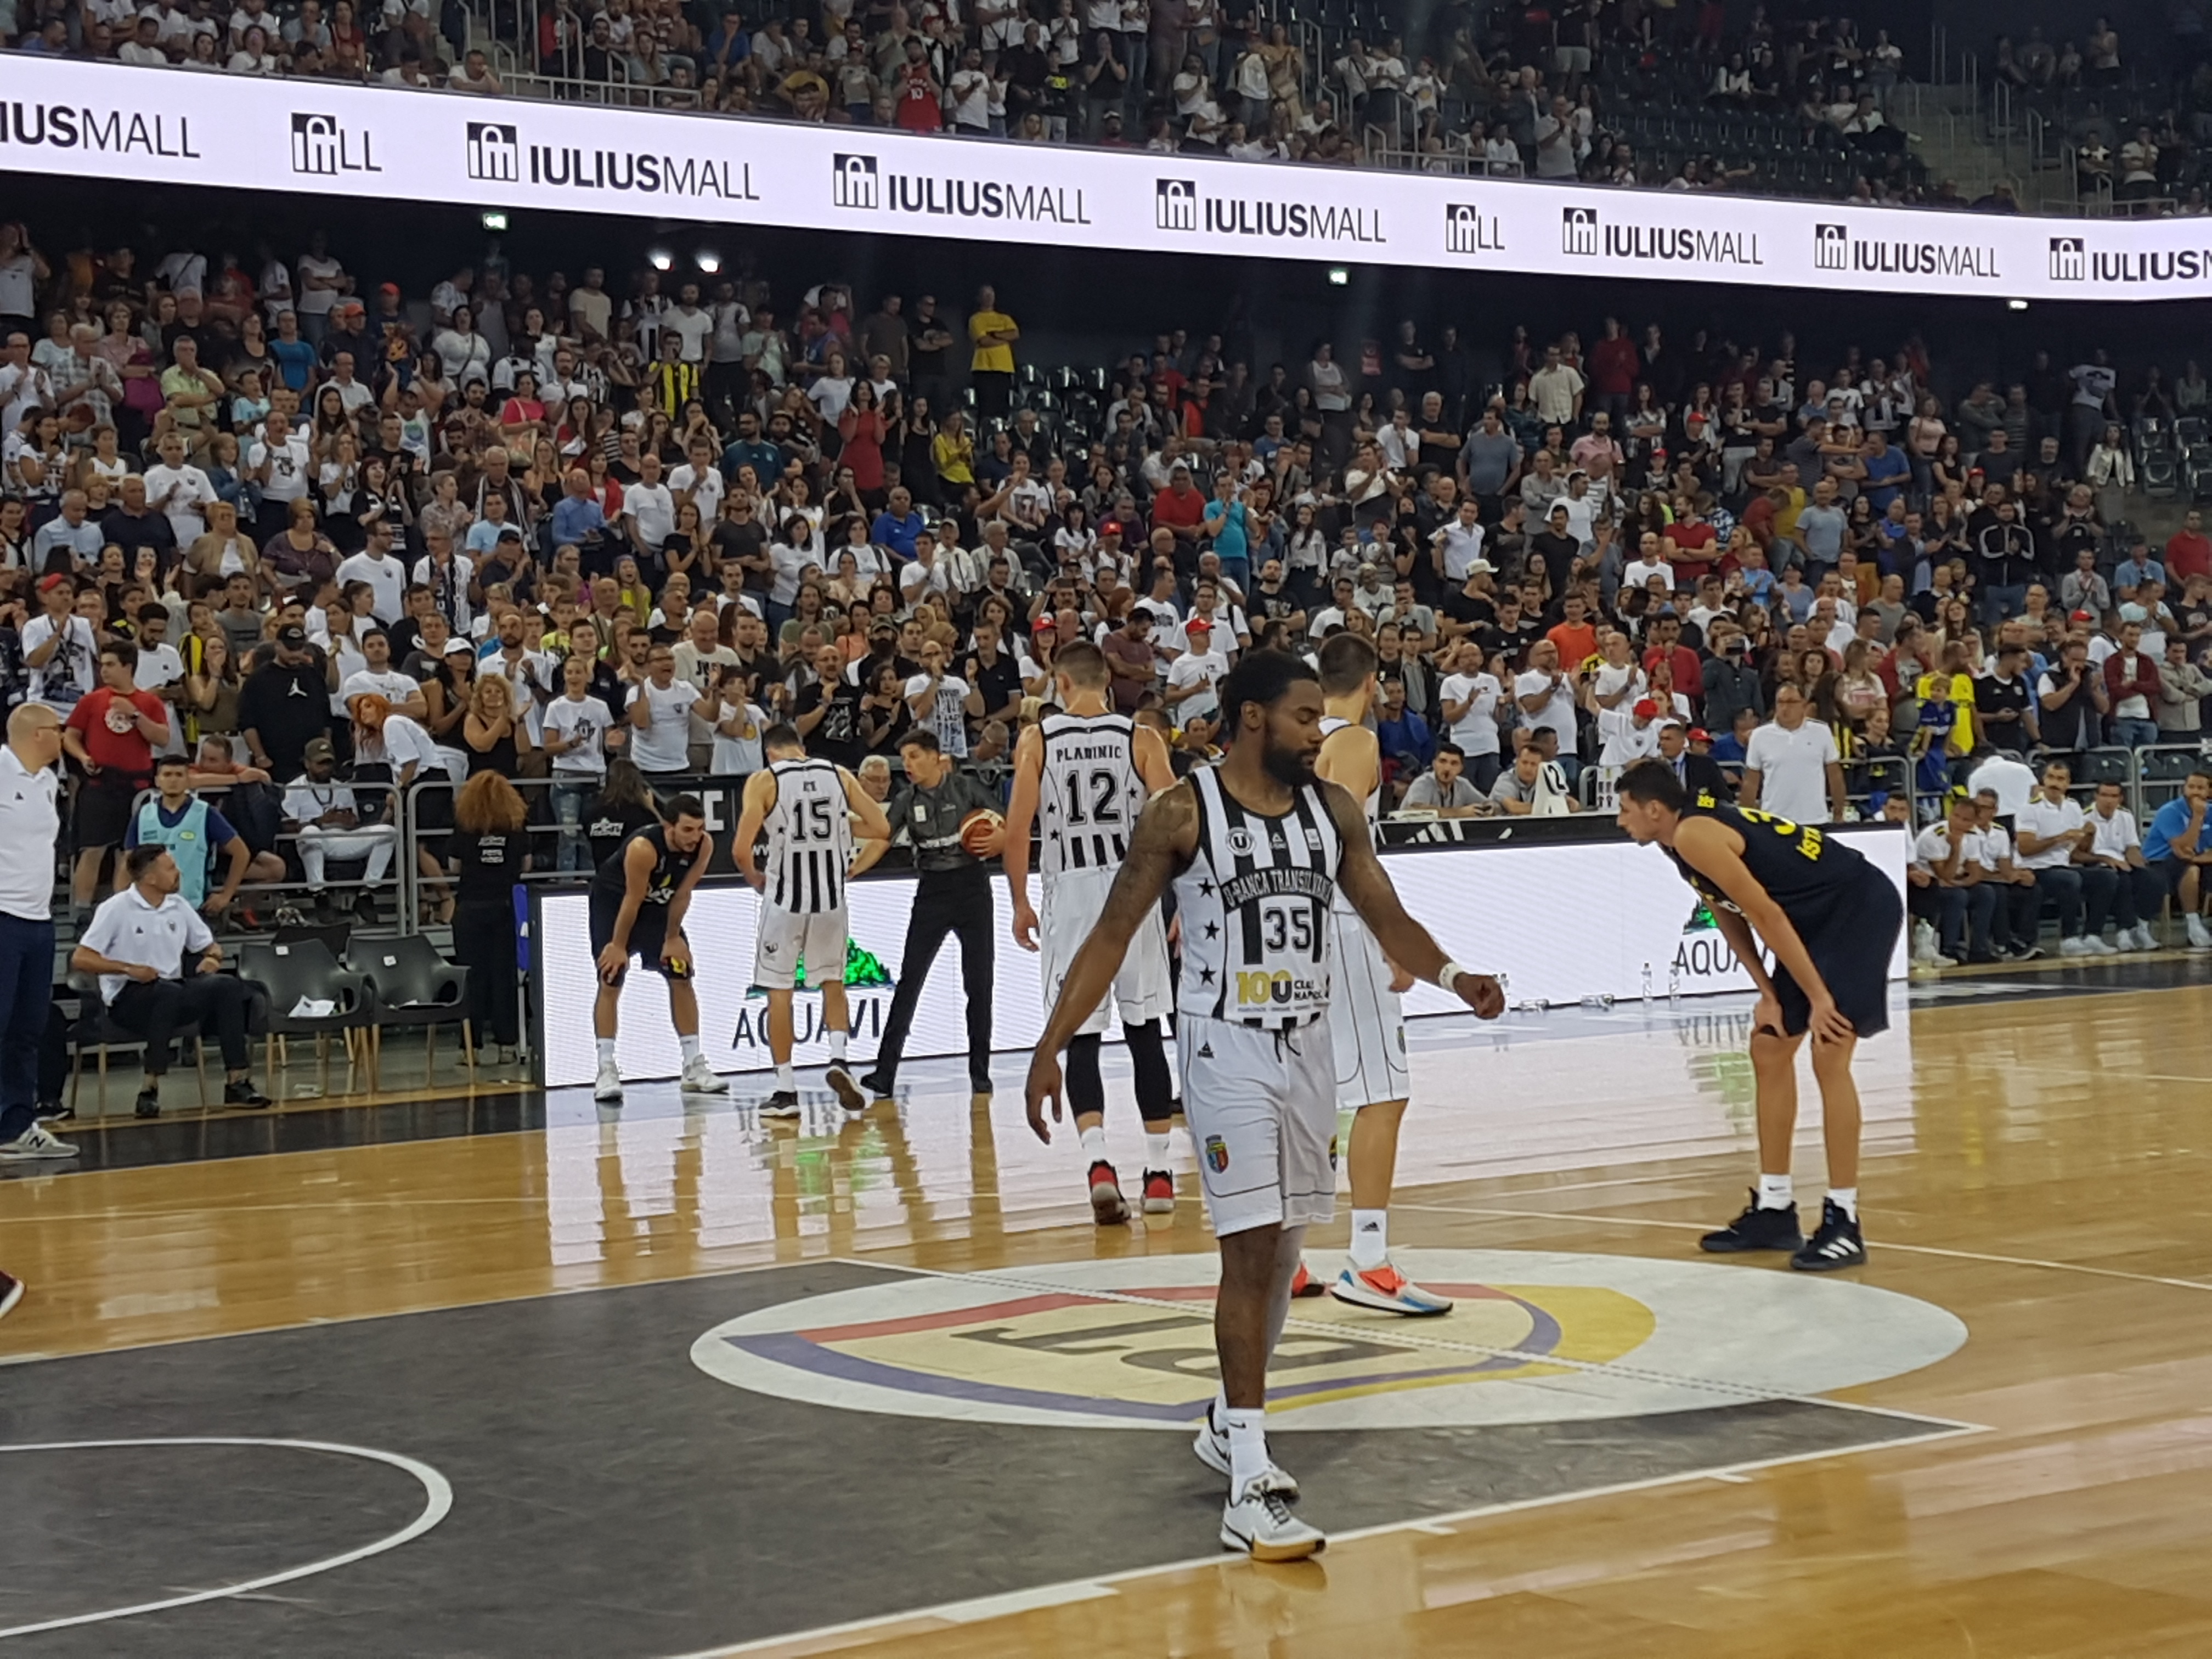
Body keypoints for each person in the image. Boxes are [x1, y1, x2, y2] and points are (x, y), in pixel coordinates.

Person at [1025, 651, 1504, 1560]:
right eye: (1303, 717)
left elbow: (1386, 914)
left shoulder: (1334, 812)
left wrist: (1453, 974)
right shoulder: (1181, 812)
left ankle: (1224, 1422)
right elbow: (1113, 932)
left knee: (1285, 1249)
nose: (1318, 733)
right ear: (1252, 717)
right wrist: (1052, 1043)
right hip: (1224, 1049)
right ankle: (1250, 1474)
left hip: (1308, 1046)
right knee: (1248, 1250)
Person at [1615, 757, 1904, 1272]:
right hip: (1814, 920)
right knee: (1769, 1047)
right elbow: (1725, 911)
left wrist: (1818, 999)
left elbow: (1765, 913)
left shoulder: (1696, 835)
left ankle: (1844, 1220)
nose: (1620, 820)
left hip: (1856, 908)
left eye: (1625, 809)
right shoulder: (1676, 839)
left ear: (1654, 809)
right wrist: (1769, 992)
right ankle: (1774, 1208)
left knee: (1830, 1050)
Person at [1001, 640, 1180, 1223]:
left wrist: (1020, 902)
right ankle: (1160, 1174)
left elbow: (1018, 829)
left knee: (1080, 1034)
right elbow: (1177, 822)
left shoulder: (1038, 740)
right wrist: (1182, 900)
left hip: (1071, 895)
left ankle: (1099, 1164)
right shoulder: (1141, 737)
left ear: (1060, 682)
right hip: (1133, 893)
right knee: (1145, 1030)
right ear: (1107, 682)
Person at [1307, 633, 1449, 1314]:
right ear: (1373, 683)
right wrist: (1393, 939)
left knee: (1303, 1094)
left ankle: (1285, 1254)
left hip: (1285, 929)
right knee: (1382, 1093)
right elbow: (1340, 846)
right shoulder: (1357, 742)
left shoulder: (1289, 738)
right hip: (1341, 923)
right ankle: (1368, 1261)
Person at [731, 724, 890, 1118]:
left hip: (785, 902)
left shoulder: (764, 780)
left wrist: (754, 877)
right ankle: (839, 1059)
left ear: (770, 753)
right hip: (831, 901)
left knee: (779, 992)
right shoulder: (840, 774)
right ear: (801, 748)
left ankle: (786, 1091)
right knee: (834, 983)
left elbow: (740, 849)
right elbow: (881, 828)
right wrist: (839, 826)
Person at [71, 844, 270, 1118]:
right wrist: (129, 969)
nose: (178, 873)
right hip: (129, 998)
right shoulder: (116, 908)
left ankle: (237, 1081)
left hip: (172, 989)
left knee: (226, 986)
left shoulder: (178, 905)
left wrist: (212, 958)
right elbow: (81, 958)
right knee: (166, 993)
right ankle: (149, 1088)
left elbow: (210, 946)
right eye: (171, 868)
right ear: (150, 877)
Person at [860, 730, 1006, 1102]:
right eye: (905, 758)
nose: (907, 764)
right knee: (910, 981)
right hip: (932, 891)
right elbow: (882, 838)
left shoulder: (967, 787)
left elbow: (1004, 823)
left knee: (979, 983)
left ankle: (980, 1073)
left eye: (914, 756)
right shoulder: (906, 799)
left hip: (972, 888)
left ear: (935, 757)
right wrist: (854, 870)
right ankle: (884, 1073)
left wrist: (1001, 840)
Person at [589, 793, 729, 1102]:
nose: (695, 837)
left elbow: (683, 893)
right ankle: (606, 1068)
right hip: (616, 904)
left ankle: (693, 1065)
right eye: (688, 830)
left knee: (681, 973)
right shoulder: (643, 848)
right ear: (669, 827)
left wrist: (673, 937)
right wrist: (618, 945)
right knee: (611, 977)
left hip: (658, 906)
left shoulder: (704, 845)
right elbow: (632, 900)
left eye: (700, 829)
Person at [0, 703, 74, 1160]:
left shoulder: (47, 782)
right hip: (3, 915)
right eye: (57, 729)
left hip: (38, 919)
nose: (64, 737)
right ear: (37, 734)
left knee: (27, 1028)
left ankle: (16, 1125)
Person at [62, 639, 172, 911]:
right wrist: (83, 757)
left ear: (128, 667)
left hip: (136, 786)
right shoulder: (91, 701)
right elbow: (70, 736)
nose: (104, 670)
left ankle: (121, 911)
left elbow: (162, 738)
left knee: (129, 853)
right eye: (103, 665)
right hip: (100, 783)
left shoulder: (149, 702)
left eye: (111, 665)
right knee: (92, 850)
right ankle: (82, 912)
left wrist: (135, 714)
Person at [122, 753, 280, 919]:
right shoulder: (144, 814)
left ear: (188, 780)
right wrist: (122, 902)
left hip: (192, 908)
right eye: (167, 775)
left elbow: (241, 853)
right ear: (157, 780)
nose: (173, 780)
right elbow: (127, 861)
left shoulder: (205, 813)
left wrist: (226, 895)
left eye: (179, 775)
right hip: (148, 910)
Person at [450, 771, 532, 1066]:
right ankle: (507, 1045)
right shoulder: (515, 826)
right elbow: (526, 865)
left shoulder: (465, 825)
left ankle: (469, 1047)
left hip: (470, 906)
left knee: (471, 978)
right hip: (505, 906)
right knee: (504, 976)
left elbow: (454, 866)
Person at [282, 733, 399, 916]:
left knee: (388, 832)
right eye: (320, 763)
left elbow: (354, 821)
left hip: (344, 836)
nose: (326, 768)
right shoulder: (294, 788)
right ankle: (319, 894)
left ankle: (366, 892)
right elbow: (286, 827)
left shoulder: (343, 787)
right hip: (316, 840)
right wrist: (319, 822)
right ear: (307, 763)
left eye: (329, 763)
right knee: (310, 832)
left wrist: (349, 822)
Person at [1739, 685, 1846, 825]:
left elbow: (1835, 775)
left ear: (1803, 704)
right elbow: (1751, 782)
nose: (1785, 708)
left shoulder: (1821, 731)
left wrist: (1839, 812)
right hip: (1774, 820)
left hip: (1815, 819)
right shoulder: (1760, 735)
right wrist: (1744, 820)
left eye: (1791, 702)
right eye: (1781, 702)